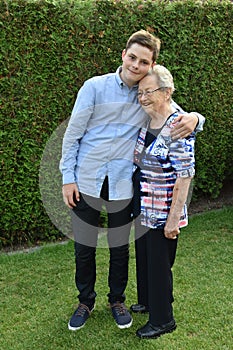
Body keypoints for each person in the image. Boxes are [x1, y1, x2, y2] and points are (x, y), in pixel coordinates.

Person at [60, 30, 204, 331]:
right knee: (84, 247)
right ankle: (85, 301)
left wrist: (196, 118)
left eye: (143, 61)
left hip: (123, 184)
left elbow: (173, 112)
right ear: (123, 54)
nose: (136, 65)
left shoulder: (146, 95)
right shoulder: (94, 88)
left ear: (151, 65)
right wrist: (67, 178)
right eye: (132, 57)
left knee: (118, 247)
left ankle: (117, 300)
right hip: (86, 180)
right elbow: (72, 135)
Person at [132, 64, 196, 339]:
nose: (143, 97)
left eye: (149, 92)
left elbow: (185, 176)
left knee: (159, 264)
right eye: (140, 92)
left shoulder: (178, 126)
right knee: (145, 258)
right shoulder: (148, 119)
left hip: (162, 210)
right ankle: (148, 301)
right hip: (143, 203)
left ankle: (163, 320)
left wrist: (173, 220)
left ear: (167, 92)